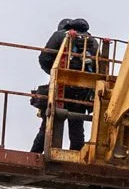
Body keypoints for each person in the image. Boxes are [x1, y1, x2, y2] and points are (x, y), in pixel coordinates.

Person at [30, 18, 100, 153]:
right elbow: (100, 67)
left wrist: (54, 72)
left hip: (61, 88)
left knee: (47, 126)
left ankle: (35, 154)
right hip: (82, 91)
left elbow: (44, 59)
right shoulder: (93, 41)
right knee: (77, 127)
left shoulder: (59, 35)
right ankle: (76, 158)